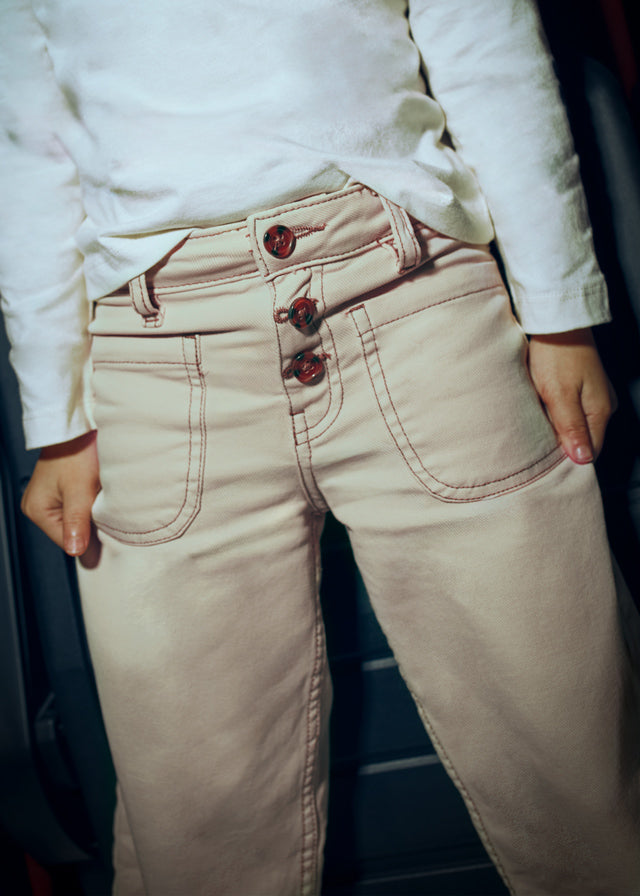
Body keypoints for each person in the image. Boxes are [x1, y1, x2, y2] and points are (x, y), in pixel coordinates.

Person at [1, 1, 639, 894]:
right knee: (195, 822)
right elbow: (27, 154)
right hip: (158, 345)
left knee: (573, 745)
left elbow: (485, 45)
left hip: (407, 283)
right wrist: (60, 417)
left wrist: (559, 311)